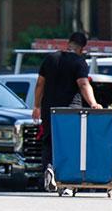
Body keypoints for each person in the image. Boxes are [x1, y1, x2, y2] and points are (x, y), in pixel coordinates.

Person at [32, 32, 103, 192]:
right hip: (70, 111)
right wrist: (93, 103)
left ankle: (49, 168)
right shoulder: (79, 62)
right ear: (82, 48)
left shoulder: (50, 59)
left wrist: (36, 106)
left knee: (49, 141)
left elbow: (39, 84)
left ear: (68, 43)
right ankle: (68, 182)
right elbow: (84, 84)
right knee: (70, 145)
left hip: (49, 109)